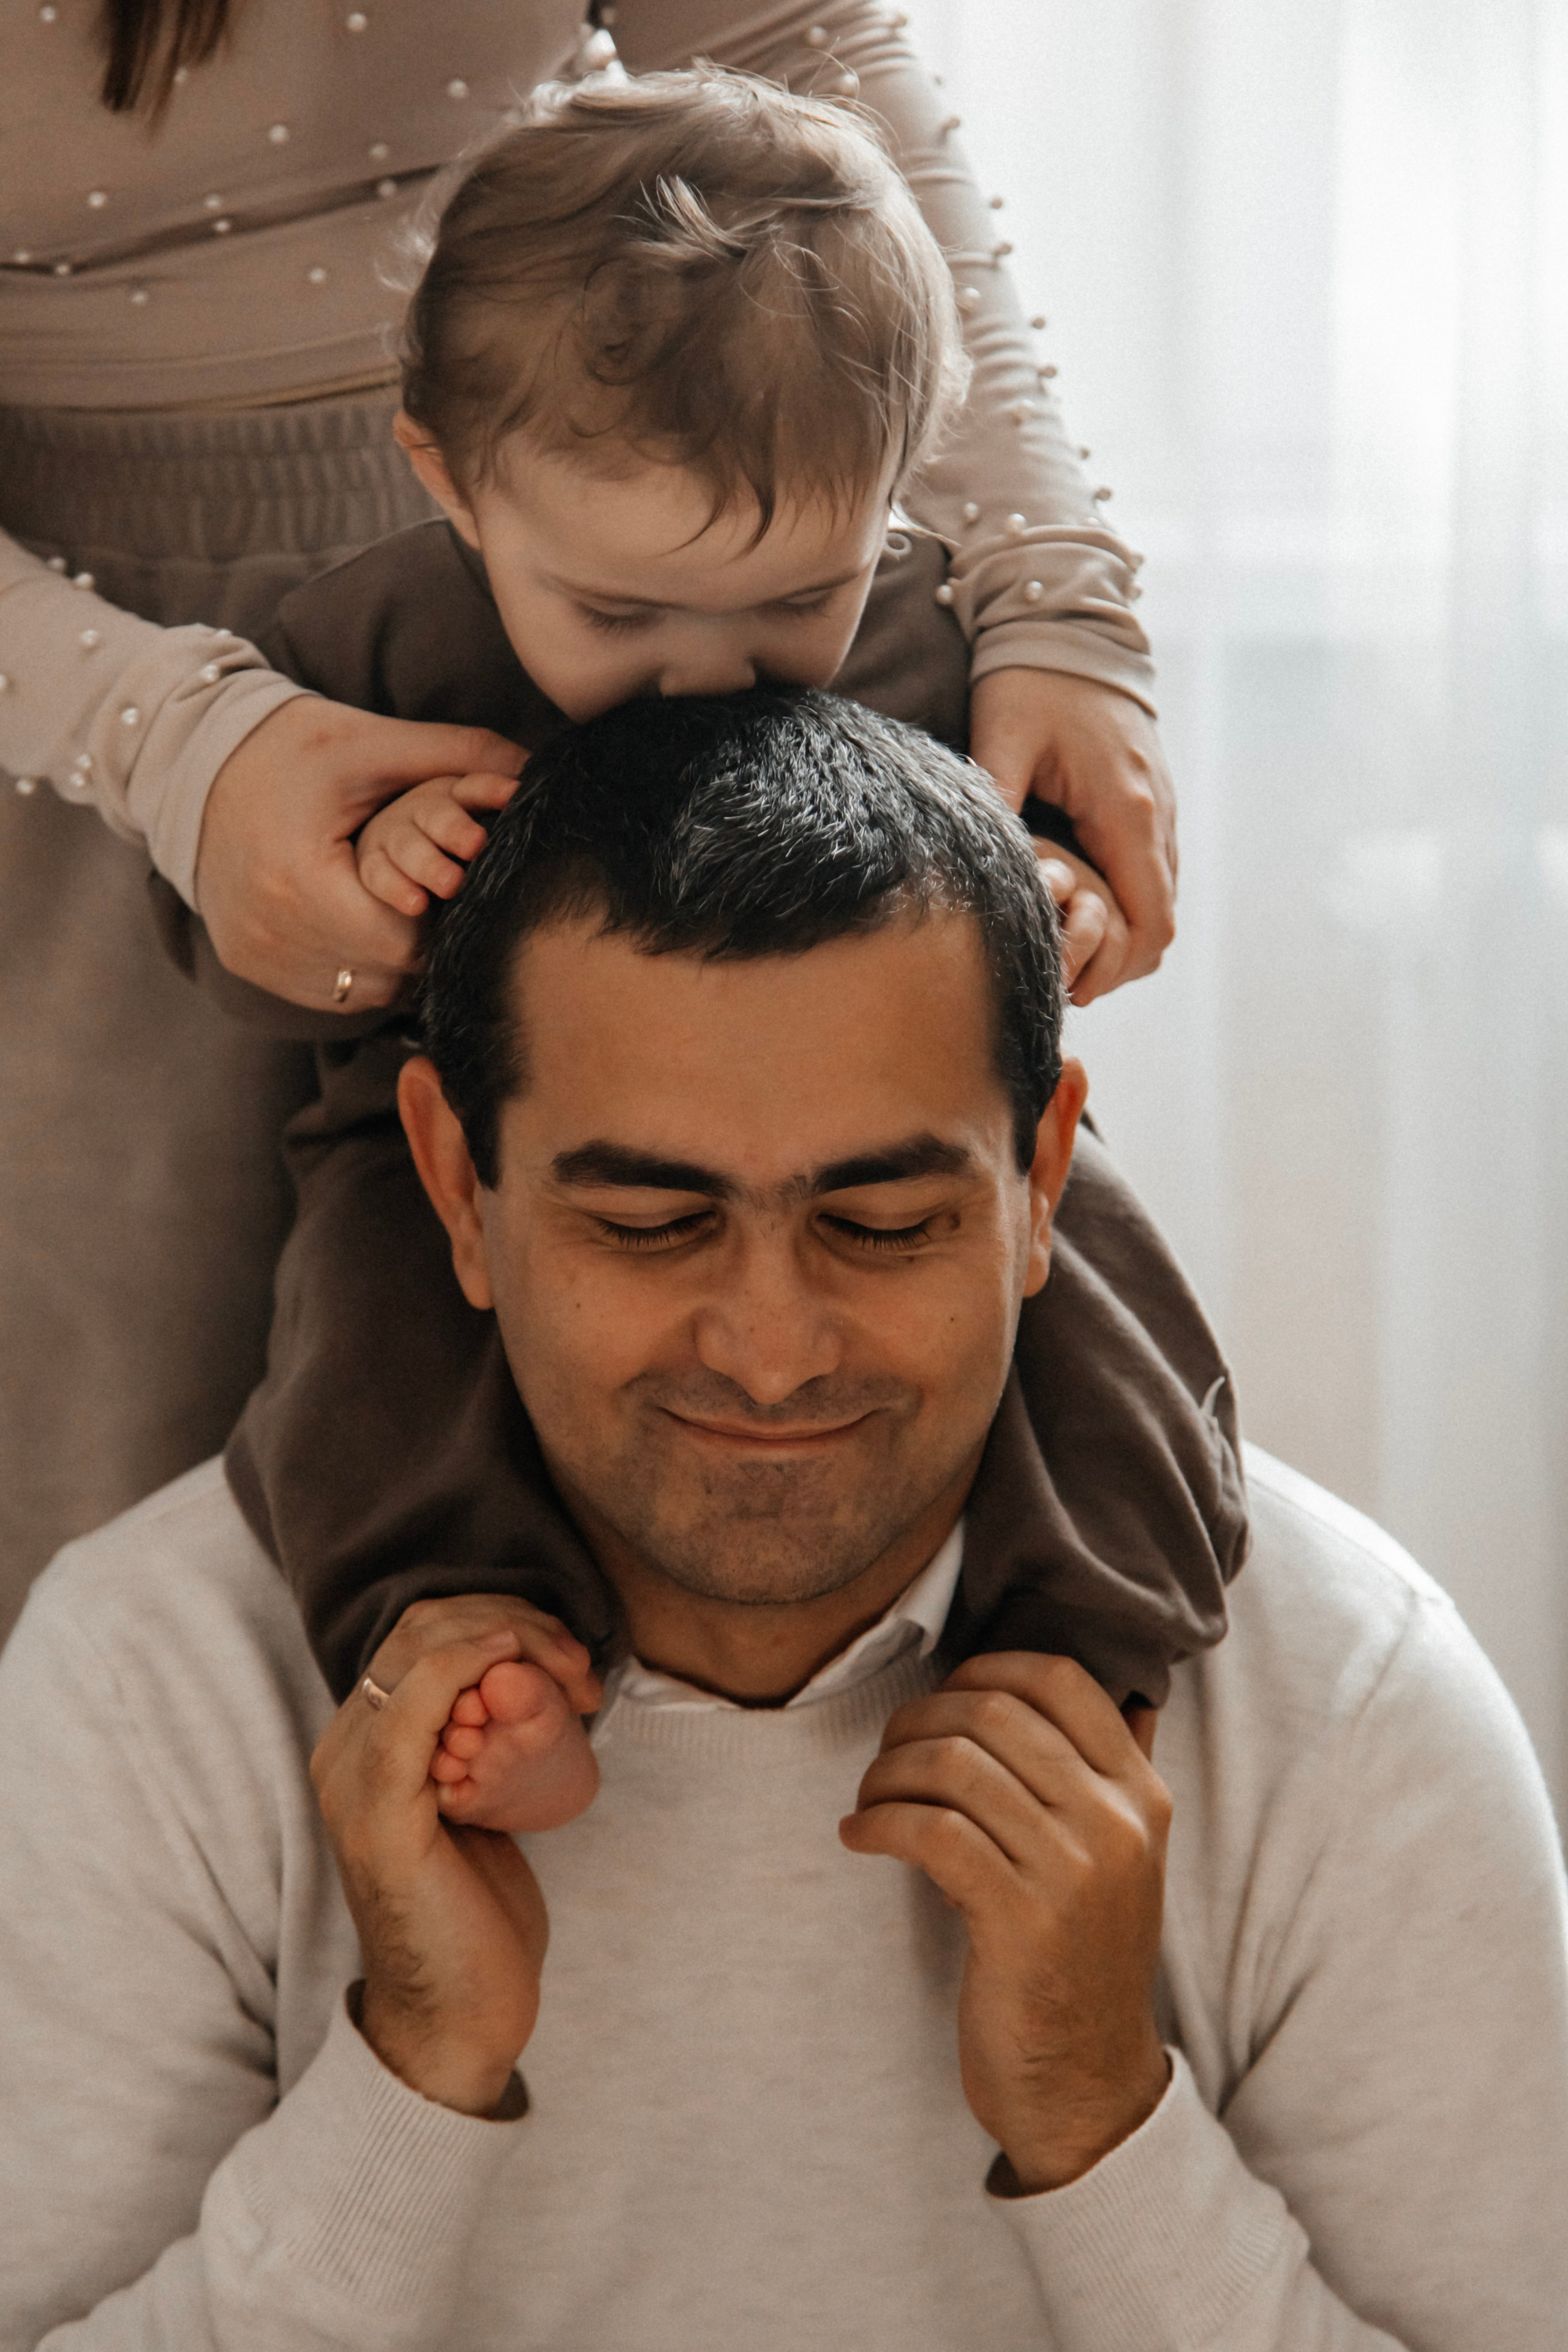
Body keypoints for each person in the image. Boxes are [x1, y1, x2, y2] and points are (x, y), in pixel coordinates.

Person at [3, 691, 1564, 2350]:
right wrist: (409, 2076)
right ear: (459, 1188)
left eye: (884, 1222)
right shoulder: (153, 1683)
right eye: (652, 1223)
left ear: (1041, 1183)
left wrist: (1104, 2124)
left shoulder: (1352, 1702)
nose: (772, 1349)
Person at [151, 70, 1246, 1826]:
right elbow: (239, 954)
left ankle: (1086, 1643)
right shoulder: (366, 645)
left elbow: (1042, 892)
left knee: (1086, 1276)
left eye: (794, 603)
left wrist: (1064, 907)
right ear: (454, 478)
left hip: (884, 1108)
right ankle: (458, 1633)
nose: (713, 673)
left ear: (893, 497)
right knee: (358, 1345)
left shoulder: (930, 640)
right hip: (449, 1112)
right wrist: (375, 889)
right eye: (619, 614)